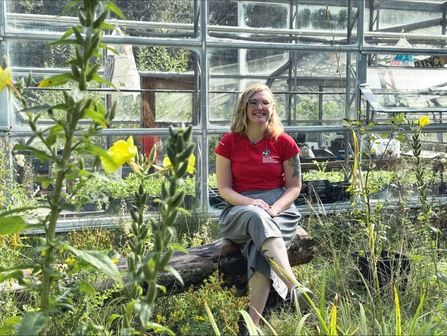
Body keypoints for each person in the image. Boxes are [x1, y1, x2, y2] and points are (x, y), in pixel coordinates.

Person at [214, 84, 313, 328]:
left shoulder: (285, 142)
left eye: (265, 103)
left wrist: (276, 209)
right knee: (257, 218)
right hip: (241, 209)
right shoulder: (228, 143)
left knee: (261, 249)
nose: (260, 107)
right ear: (244, 107)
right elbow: (224, 189)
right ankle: (294, 287)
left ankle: (252, 326)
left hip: (280, 208)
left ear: (272, 108)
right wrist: (252, 202)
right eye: (254, 102)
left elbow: (294, 187)